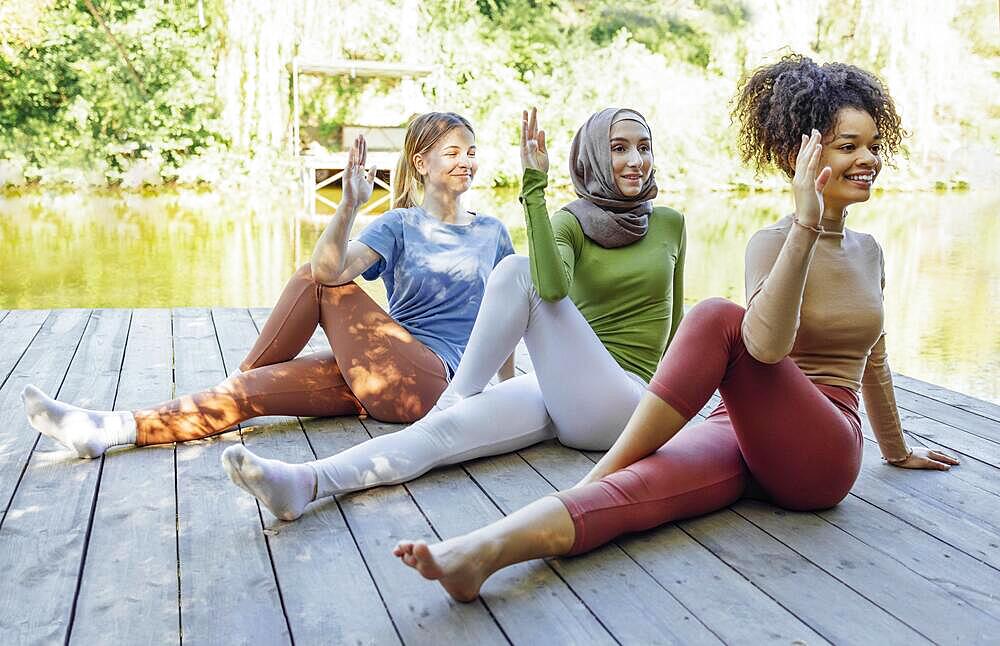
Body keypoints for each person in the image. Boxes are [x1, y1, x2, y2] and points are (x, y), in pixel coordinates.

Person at [391, 56, 959, 603]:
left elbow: (868, 360)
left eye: (873, 146)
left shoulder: (869, 252)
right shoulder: (770, 243)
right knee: (634, 492)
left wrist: (897, 449)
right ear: (801, 155)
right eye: (849, 146)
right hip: (738, 428)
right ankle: (478, 555)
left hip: (822, 448)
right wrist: (802, 226)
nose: (869, 159)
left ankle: (598, 470)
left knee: (714, 317)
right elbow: (767, 345)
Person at [219, 106, 687, 522]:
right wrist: (537, 193)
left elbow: (676, 324)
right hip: (565, 393)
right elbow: (551, 291)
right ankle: (305, 482)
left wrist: (681, 412)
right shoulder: (568, 222)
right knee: (442, 434)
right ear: (593, 160)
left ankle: (456, 393)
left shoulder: (670, 224)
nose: (635, 160)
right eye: (619, 148)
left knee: (513, 270)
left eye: (644, 147)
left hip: (629, 400)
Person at [21, 112, 515, 458]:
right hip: (379, 375)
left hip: (429, 382)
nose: (466, 161)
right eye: (452, 151)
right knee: (247, 393)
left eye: (471, 152)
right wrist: (348, 206)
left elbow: (510, 315)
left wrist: (510, 394)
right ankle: (107, 430)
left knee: (311, 278)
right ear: (422, 162)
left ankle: (236, 373)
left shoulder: (492, 232)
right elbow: (333, 268)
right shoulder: (399, 224)